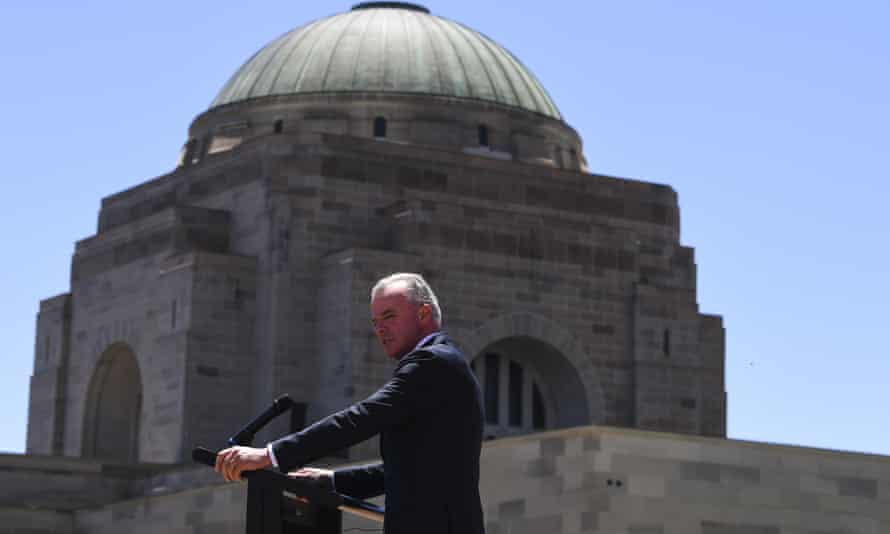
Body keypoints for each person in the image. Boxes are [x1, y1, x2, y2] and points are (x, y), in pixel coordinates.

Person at [215, 273, 485, 534]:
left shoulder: (434, 362)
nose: (380, 329)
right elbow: (409, 470)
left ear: (423, 314)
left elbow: (361, 418)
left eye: (389, 316)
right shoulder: (442, 364)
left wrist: (269, 455)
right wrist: (330, 481)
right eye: (375, 322)